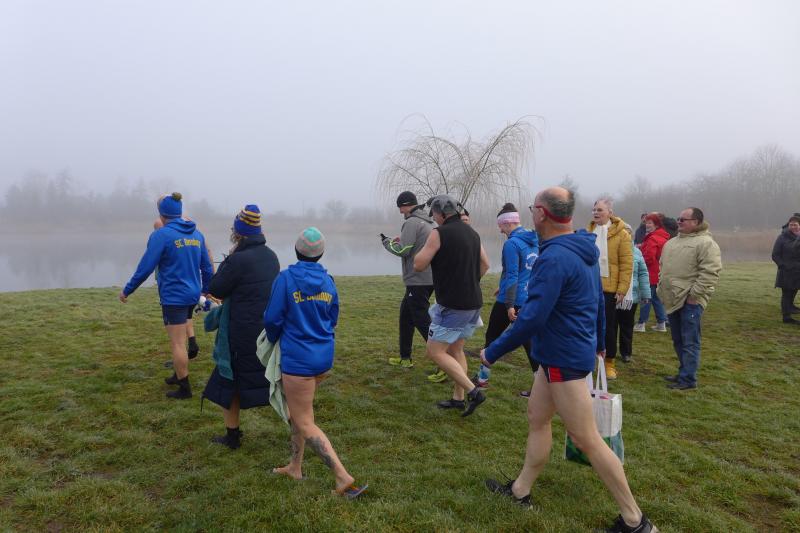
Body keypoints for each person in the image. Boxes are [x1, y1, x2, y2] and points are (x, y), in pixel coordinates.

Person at [481, 187, 658, 533]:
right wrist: (601, 342)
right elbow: (597, 299)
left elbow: (531, 318)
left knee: (585, 438)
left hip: (564, 358)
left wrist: (492, 352)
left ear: (541, 213)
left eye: (533, 208)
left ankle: (636, 521)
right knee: (537, 419)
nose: (532, 213)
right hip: (555, 356)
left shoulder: (555, 257)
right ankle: (520, 490)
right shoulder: (582, 247)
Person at [265, 227, 367, 498]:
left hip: (298, 361)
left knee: (304, 420)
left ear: (296, 250)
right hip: (322, 357)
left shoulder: (285, 279)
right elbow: (333, 316)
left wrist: (273, 340)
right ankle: (295, 467)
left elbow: (272, 318)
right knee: (300, 414)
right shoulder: (328, 281)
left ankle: (342, 477)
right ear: (320, 254)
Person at [119, 193, 213, 399]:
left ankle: (184, 388)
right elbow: (206, 266)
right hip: (192, 295)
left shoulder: (161, 236)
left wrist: (128, 290)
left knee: (177, 343)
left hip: (174, 297)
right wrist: (206, 290)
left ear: (162, 215)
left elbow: (145, 267)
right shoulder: (196, 234)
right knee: (181, 337)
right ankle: (178, 374)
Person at [202, 205, 280, 449]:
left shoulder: (237, 260)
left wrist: (227, 260)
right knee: (272, 381)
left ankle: (232, 437)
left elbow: (216, 288)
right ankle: (300, 427)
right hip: (265, 331)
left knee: (229, 382)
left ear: (238, 232)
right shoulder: (271, 256)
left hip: (238, 333)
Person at [413, 195, 490, 417]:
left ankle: (473, 392)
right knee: (456, 349)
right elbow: (485, 264)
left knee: (434, 351)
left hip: (453, 305)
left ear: (441, 213)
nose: (434, 219)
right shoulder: (472, 233)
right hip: (473, 303)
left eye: (434, 215)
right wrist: (469, 281)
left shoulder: (439, 233)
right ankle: (458, 399)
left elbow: (418, 264)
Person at [473, 203, 539, 394]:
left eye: (500, 226)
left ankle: (482, 379)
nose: (500, 230)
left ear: (508, 223)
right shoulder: (534, 239)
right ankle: (540, 386)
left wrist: (509, 303)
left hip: (510, 301)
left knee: (492, 337)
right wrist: (502, 286)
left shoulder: (512, 244)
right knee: (530, 342)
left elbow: (512, 275)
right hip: (529, 298)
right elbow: (528, 271)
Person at [658, 207, 722, 390]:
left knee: (690, 341)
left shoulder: (706, 243)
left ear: (696, 222)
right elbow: (663, 267)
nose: (679, 222)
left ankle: (688, 380)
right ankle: (683, 372)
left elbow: (710, 272)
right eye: (678, 218)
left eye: (683, 219)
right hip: (672, 299)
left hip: (690, 302)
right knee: (678, 340)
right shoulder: (671, 242)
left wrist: (694, 296)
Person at [380, 191, 436, 372]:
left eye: (400, 207)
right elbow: (415, 244)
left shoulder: (411, 222)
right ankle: (405, 358)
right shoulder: (429, 221)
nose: (400, 211)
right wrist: (401, 240)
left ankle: (444, 359)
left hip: (418, 279)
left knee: (422, 320)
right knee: (405, 318)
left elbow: (403, 250)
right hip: (428, 278)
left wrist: (387, 242)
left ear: (406, 205)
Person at [587, 197, 632, 379]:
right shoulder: (589, 231)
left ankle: (609, 363)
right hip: (589, 285)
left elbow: (626, 264)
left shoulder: (622, 234)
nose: (596, 213)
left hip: (609, 288)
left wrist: (622, 289)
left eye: (600, 210)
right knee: (588, 323)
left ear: (610, 213)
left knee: (608, 326)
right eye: (594, 209)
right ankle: (589, 359)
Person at [617, 224, 650, 363]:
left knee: (627, 325)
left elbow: (643, 273)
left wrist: (646, 293)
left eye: (628, 233)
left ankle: (626, 352)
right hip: (613, 294)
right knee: (611, 325)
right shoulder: (610, 250)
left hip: (632, 296)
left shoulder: (637, 252)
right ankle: (608, 352)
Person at [635, 214, 670, 332]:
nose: (647, 225)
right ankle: (661, 323)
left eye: (650, 223)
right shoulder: (663, 237)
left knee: (646, 298)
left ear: (656, 225)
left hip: (650, 273)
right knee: (656, 299)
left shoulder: (653, 238)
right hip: (659, 272)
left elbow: (649, 257)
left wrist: (640, 259)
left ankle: (641, 324)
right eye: (646, 222)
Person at [771, 215, 800, 325]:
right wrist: (783, 266)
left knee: (793, 291)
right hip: (786, 271)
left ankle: (790, 309)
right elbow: (775, 255)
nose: (793, 227)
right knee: (787, 294)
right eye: (791, 225)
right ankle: (786, 317)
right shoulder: (782, 237)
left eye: (795, 225)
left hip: (798, 271)